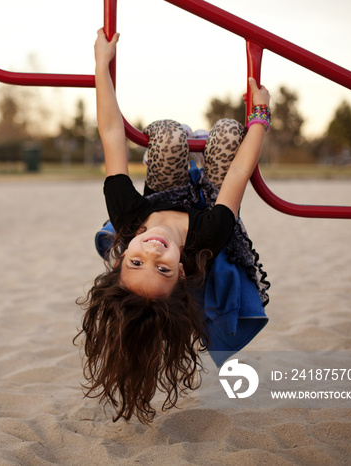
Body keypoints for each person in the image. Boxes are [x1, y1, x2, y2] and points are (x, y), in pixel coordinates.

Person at [74, 29, 271, 424]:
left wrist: (101, 63)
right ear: (181, 273)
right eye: (161, 267)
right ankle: (208, 145)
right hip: (211, 203)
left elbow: (112, 133)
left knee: (165, 136)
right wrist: (261, 116)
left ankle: (184, 146)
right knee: (231, 132)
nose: (152, 250)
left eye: (136, 262)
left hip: (168, 193)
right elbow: (238, 176)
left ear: (120, 257)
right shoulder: (208, 239)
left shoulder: (128, 218)